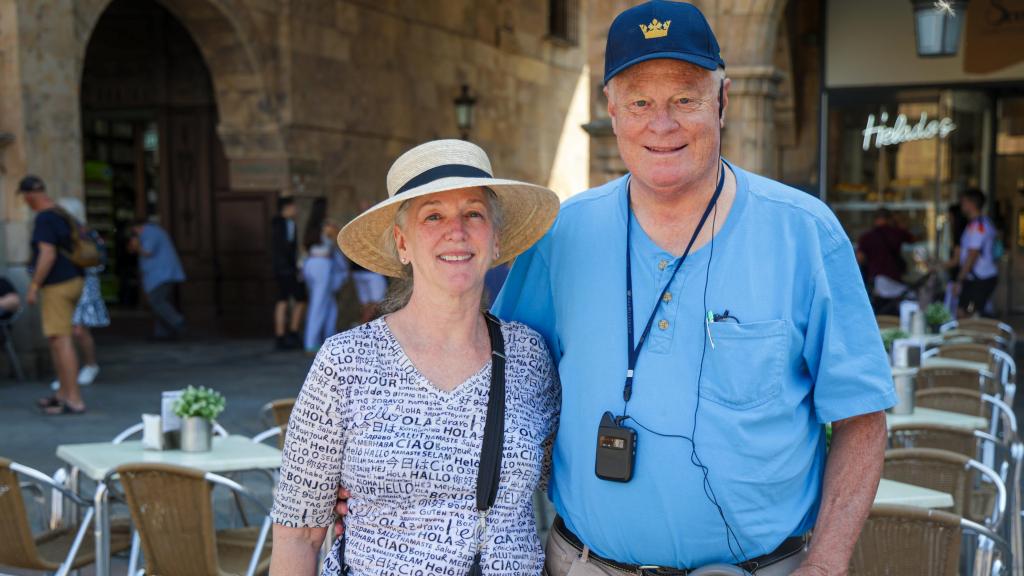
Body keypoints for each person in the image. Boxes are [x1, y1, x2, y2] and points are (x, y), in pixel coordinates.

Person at [488, 3, 893, 574]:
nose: (662, 124)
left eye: (685, 98)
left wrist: (825, 564)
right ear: (611, 110)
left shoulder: (804, 232)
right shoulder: (560, 235)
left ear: (722, 101)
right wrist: (374, 473)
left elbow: (862, 416)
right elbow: (493, 384)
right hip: (585, 564)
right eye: (639, 102)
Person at [270, 139, 561, 576]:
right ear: (403, 244)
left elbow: (566, 479)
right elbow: (298, 535)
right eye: (434, 215)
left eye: (474, 213)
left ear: (496, 240)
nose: (457, 231)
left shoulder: (529, 356)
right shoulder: (345, 362)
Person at [17, 175, 87, 415]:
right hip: (73, 280)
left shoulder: (45, 218)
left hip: (58, 284)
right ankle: (62, 394)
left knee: (61, 340)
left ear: (29, 195)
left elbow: (47, 254)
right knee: (57, 340)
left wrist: (34, 285)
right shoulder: (60, 213)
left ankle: (74, 399)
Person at [45, 197, 107, 391]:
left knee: (79, 329)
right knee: (65, 330)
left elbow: (100, 260)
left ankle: (89, 365)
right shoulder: (61, 233)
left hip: (85, 282)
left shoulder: (87, 234)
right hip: (65, 283)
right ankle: (67, 375)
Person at [300, 199, 348, 353]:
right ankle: (311, 342)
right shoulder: (327, 226)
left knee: (328, 303)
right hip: (322, 265)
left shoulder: (311, 226)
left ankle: (328, 338)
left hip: (311, 264)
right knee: (319, 304)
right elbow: (337, 242)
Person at [129, 219, 186, 339]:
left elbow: (148, 252)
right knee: (160, 302)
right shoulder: (152, 232)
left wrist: (137, 246)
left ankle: (177, 321)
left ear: (137, 228)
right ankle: (162, 333)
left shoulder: (150, 233)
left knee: (157, 302)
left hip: (162, 274)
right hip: (160, 274)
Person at [856, 207, 914, 311]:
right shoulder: (896, 233)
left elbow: (859, 258)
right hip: (894, 279)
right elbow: (913, 238)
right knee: (910, 297)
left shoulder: (867, 236)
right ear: (889, 219)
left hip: (877, 280)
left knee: (880, 310)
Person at [953, 188, 999, 318]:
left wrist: (959, 280)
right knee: (963, 314)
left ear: (971, 204)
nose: (961, 206)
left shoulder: (978, 226)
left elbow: (972, 255)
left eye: (963, 202)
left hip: (980, 278)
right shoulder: (981, 223)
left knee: (968, 316)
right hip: (976, 278)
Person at [271, 196, 307, 350]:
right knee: (300, 298)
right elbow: (286, 249)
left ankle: (282, 335)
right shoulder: (285, 224)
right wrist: (293, 269)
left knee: (283, 300)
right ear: (287, 207)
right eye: (294, 206)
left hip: (280, 268)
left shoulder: (276, 223)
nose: (296, 210)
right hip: (286, 269)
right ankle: (291, 333)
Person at [348, 201, 388, 324]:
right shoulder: (374, 227)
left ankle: (364, 327)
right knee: (376, 304)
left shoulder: (353, 227)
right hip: (371, 272)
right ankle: (366, 328)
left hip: (359, 271)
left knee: (367, 304)